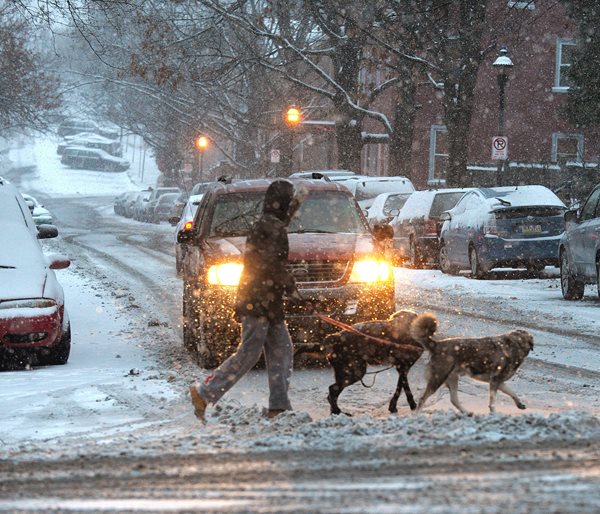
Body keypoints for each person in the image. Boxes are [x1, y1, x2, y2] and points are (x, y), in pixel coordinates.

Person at [189, 179, 310, 423]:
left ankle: (278, 406)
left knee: (282, 351)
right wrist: (293, 291)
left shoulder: (269, 224)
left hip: (265, 301)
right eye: (289, 202)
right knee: (249, 353)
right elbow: (272, 265)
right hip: (258, 301)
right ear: (282, 203)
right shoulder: (270, 228)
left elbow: (274, 255)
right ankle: (204, 392)